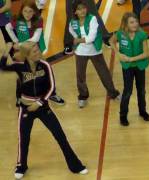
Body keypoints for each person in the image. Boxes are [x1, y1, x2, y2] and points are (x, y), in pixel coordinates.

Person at [0, 42, 88, 180]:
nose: (38, 53)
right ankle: (21, 166)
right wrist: (6, 50)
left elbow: (52, 88)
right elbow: (3, 67)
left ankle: (75, 165)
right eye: (34, 51)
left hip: (43, 108)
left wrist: (39, 103)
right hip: (26, 109)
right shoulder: (20, 67)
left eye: (37, 50)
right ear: (27, 55)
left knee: (60, 135)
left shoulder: (45, 65)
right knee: (24, 138)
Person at [5, 0, 65, 105]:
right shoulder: (17, 20)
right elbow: (7, 27)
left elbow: (35, 38)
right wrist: (15, 40)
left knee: (45, 70)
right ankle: (19, 96)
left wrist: (19, 45)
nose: (27, 14)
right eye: (25, 11)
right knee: (21, 74)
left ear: (34, 12)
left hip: (36, 50)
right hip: (24, 52)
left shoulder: (38, 20)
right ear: (21, 11)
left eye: (30, 11)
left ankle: (52, 93)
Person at [69, 0, 121, 108]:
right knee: (80, 76)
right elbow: (71, 30)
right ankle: (83, 96)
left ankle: (113, 93)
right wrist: (76, 37)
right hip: (80, 52)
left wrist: (78, 40)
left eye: (83, 8)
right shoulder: (72, 22)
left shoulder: (92, 18)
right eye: (79, 9)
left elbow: (91, 38)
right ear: (75, 12)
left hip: (94, 51)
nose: (82, 10)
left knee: (104, 73)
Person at [110, 12, 149, 126]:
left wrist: (131, 59)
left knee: (141, 90)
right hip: (127, 67)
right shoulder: (120, 34)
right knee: (127, 91)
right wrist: (118, 53)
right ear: (126, 24)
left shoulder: (142, 34)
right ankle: (123, 115)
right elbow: (111, 41)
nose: (135, 24)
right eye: (132, 22)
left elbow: (146, 54)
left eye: (136, 22)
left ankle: (142, 111)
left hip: (139, 66)